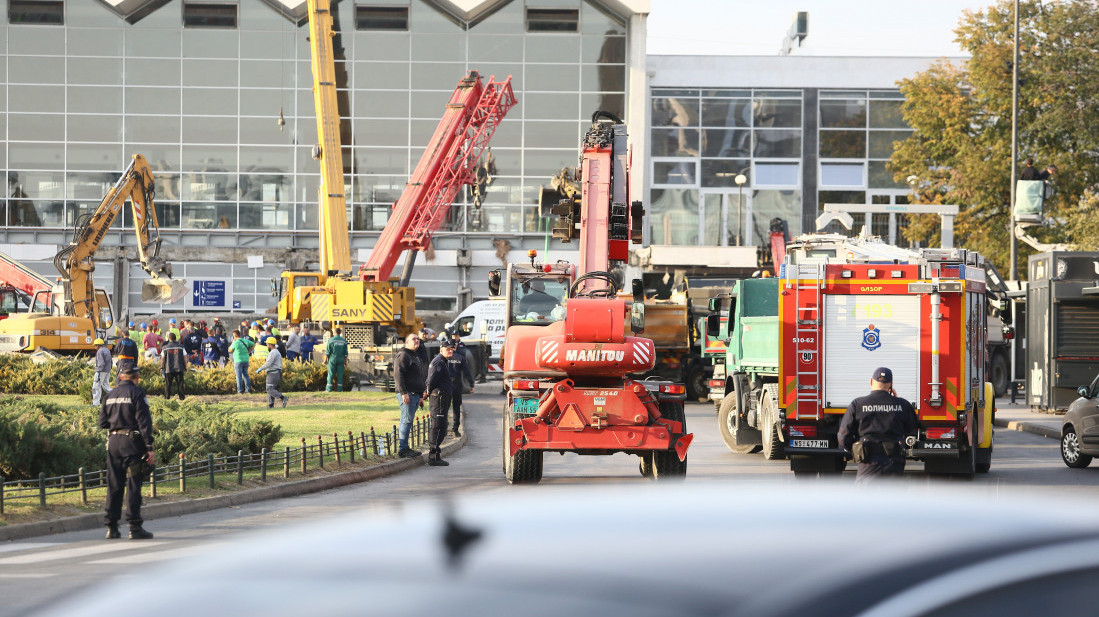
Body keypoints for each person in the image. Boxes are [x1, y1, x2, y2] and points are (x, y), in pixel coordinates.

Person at [99, 366, 155, 540]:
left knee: (114, 485)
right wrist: (149, 447)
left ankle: (112, 527)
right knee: (132, 484)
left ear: (121, 377)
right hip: (132, 444)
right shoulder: (137, 394)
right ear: (136, 377)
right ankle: (134, 526)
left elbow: (102, 423)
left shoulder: (109, 396)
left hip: (113, 443)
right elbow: (144, 422)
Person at [838, 367, 918, 484]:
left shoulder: (857, 404)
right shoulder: (903, 404)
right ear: (891, 384)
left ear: (871, 382)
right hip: (894, 464)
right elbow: (911, 427)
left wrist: (857, 450)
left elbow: (843, 437)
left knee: (866, 499)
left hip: (868, 465)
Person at [393, 332, 426, 458]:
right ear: (407, 342)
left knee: (408, 421)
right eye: (414, 339)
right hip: (408, 394)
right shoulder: (403, 355)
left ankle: (405, 447)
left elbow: (419, 375)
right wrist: (403, 393)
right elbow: (398, 374)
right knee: (406, 421)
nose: (417, 341)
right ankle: (403, 449)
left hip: (415, 394)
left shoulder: (414, 355)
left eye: (418, 339)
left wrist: (420, 395)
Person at [424, 338, 456, 466]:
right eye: (448, 349)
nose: (450, 351)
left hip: (442, 397)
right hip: (439, 398)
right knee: (437, 425)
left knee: (442, 425)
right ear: (441, 350)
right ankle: (433, 456)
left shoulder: (443, 362)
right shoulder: (438, 362)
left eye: (451, 349)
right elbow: (431, 380)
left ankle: (436, 454)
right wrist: (426, 392)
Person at [446, 330, 474, 437]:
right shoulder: (461, 358)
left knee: (445, 407)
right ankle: (455, 429)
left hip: (448, 384)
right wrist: (471, 384)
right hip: (456, 383)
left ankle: (445, 429)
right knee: (456, 407)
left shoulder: (444, 357)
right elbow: (467, 372)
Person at [258, 336, 289, 409]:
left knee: (269, 389)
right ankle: (271, 405)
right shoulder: (275, 352)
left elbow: (268, 363)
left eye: (267, 344)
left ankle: (283, 398)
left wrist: (260, 368)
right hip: (274, 373)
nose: (266, 345)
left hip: (273, 373)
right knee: (271, 388)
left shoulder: (273, 353)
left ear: (270, 344)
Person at [160, 332, 187, 400]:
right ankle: (182, 398)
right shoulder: (181, 347)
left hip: (168, 368)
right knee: (180, 384)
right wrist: (185, 367)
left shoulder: (165, 348)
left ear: (169, 339)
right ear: (176, 339)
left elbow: (162, 359)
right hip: (179, 368)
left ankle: (167, 398)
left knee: (168, 385)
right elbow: (185, 357)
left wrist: (161, 367)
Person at [325, 326, 348, 392]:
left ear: (334, 332)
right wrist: (345, 361)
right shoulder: (344, 341)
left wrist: (325, 360)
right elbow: (345, 353)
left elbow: (328, 351)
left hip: (333, 359)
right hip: (341, 359)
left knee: (331, 374)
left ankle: (329, 389)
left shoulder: (331, 340)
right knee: (340, 375)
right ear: (340, 333)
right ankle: (340, 389)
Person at [92, 338, 111, 407]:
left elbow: (101, 363)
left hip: (101, 371)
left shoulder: (99, 351)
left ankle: (95, 403)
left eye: (95, 345)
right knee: (107, 387)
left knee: (96, 387)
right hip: (107, 371)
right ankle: (117, 397)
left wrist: (98, 371)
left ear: (98, 345)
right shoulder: (107, 350)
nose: (94, 347)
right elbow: (110, 362)